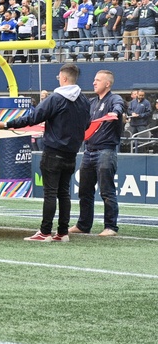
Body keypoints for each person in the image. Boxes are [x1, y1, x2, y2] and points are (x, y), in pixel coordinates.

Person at [0, 63, 91, 242]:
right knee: (64, 194)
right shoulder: (84, 100)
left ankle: (45, 232)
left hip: (54, 152)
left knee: (50, 193)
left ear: (63, 78)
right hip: (71, 153)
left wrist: (6, 124)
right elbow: (86, 125)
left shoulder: (56, 98)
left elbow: (33, 118)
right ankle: (62, 232)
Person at [70, 70, 124, 237]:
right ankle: (84, 224)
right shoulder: (91, 102)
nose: (94, 83)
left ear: (107, 84)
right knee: (84, 191)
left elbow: (119, 107)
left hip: (105, 150)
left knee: (107, 191)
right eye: (94, 80)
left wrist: (115, 113)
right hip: (89, 151)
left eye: (98, 80)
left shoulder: (114, 99)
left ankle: (111, 227)